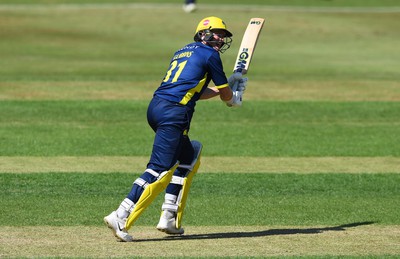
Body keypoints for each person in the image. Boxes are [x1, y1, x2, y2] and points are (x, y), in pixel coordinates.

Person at [104, 16, 247, 242]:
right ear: (203, 33)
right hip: (174, 113)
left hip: (156, 107)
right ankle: (120, 214)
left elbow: (197, 90)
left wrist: (224, 90)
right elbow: (227, 97)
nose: (221, 38)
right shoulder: (211, 55)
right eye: (217, 33)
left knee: (189, 155)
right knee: (159, 168)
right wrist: (232, 97)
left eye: (223, 35)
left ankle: (169, 216)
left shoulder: (182, 51)